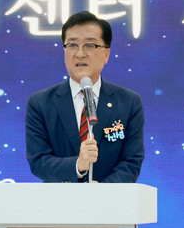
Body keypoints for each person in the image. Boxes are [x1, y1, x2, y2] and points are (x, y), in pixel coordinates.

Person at [26, 11, 144, 183]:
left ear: (106, 54)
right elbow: (38, 161)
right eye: (72, 45)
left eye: (90, 45)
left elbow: (131, 162)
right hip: (58, 198)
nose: (80, 53)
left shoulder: (128, 102)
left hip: (110, 199)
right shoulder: (41, 103)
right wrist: (78, 165)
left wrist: (102, 192)